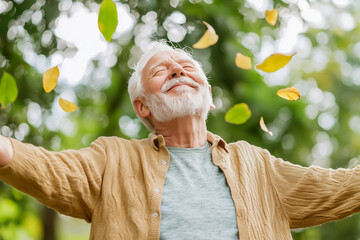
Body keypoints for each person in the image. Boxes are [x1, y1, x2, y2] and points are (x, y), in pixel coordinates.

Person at [1, 41, 360, 240]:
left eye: (188, 68)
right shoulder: (113, 159)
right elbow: (49, 170)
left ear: (209, 97)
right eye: (161, 70)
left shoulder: (257, 164)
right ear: (142, 106)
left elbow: (341, 187)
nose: (177, 70)